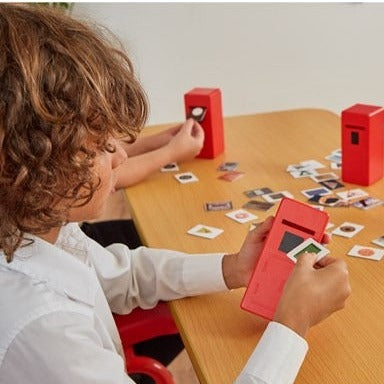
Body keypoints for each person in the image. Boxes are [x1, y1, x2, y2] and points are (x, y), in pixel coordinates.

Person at [0, 4, 351, 384]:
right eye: (98, 147)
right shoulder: (44, 330)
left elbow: (121, 274)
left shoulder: (33, 224)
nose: (120, 155)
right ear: (27, 167)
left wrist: (234, 267)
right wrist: (292, 325)